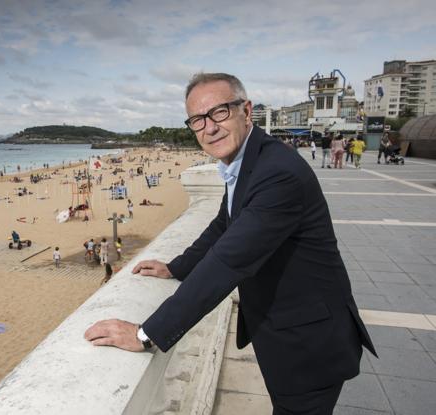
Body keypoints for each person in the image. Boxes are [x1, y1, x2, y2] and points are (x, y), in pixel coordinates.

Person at [84, 72, 376, 414]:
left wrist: (146, 334)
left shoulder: (277, 172)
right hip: (293, 336)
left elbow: (228, 261)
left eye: (219, 112)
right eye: (198, 119)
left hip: (309, 344)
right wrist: (176, 266)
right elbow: (224, 225)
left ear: (246, 110)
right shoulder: (250, 161)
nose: (209, 127)